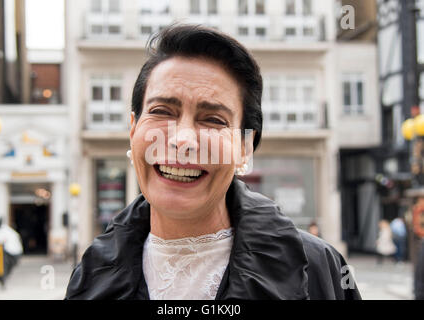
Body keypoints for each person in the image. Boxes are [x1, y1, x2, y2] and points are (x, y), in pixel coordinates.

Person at [65, 24, 361, 300]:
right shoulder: (91, 276)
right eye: (162, 111)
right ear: (133, 130)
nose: (183, 140)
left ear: (244, 147)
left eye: (213, 120)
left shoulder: (319, 268)